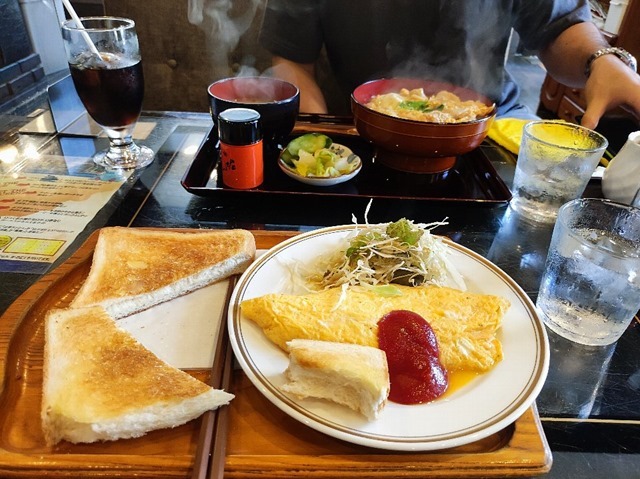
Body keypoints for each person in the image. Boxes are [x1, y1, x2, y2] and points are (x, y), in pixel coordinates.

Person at [258, 0, 640, 129]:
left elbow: (560, 27)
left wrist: (601, 61)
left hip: (493, 123)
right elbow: (292, 59)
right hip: (368, 125)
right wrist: (317, 134)